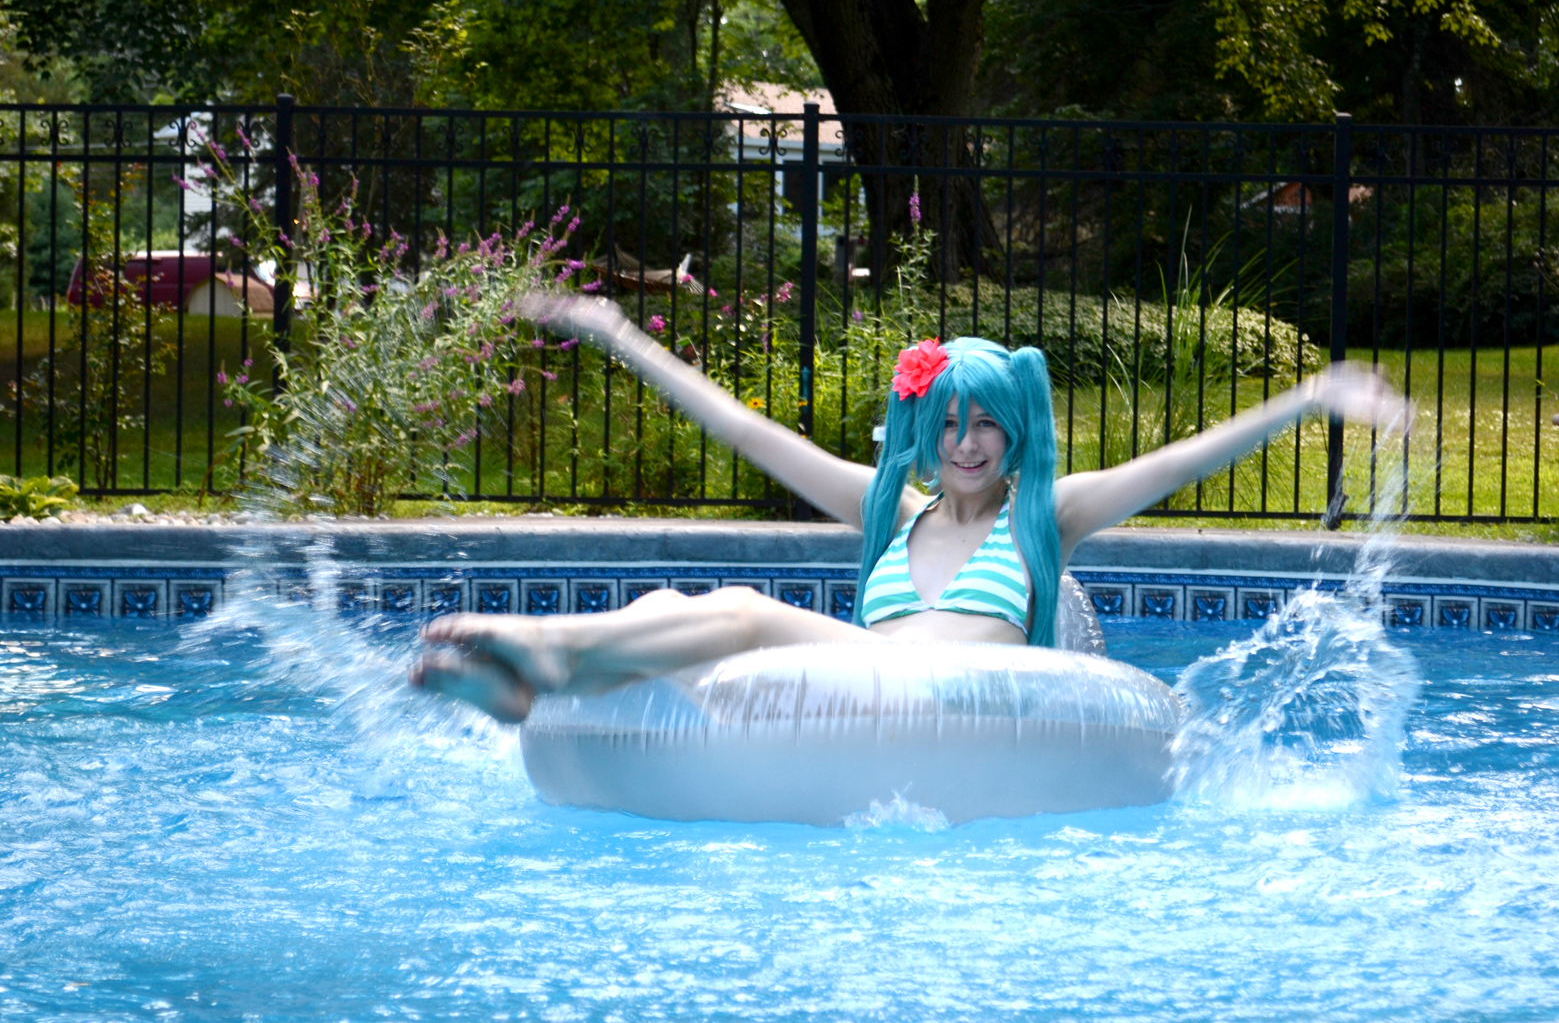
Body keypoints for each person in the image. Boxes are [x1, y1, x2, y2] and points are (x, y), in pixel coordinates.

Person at [411, 295, 1408, 722]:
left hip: (959, 699)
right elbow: (748, 431)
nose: (965, 445)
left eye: (986, 425)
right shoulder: (894, 511)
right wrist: (616, 331)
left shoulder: (1042, 517)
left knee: (744, 609)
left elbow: (1177, 461)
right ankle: (527, 689)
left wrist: (1307, 396)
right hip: (863, 688)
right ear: (921, 431)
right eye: (946, 426)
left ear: (1014, 431)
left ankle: (546, 649)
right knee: (669, 603)